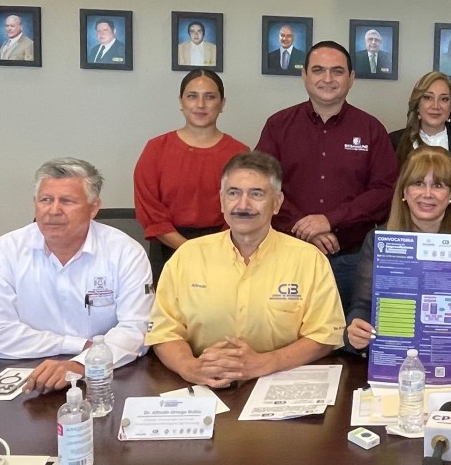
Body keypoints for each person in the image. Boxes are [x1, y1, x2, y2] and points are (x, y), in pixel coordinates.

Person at [146, 152, 345, 387]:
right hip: (202, 383)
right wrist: (189, 367)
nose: (243, 205)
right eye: (233, 193)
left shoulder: (309, 260)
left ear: (277, 203)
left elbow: (325, 336)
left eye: (256, 194)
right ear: (222, 200)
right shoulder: (187, 256)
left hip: (280, 381)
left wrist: (264, 363)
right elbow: (164, 332)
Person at [0, 158, 153, 393]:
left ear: (93, 208)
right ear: (35, 203)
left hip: (105, 374)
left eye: (67, 201)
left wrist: (81, 364)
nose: (54, 210)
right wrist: (80, 345)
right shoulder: (6, 250)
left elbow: (137, 330)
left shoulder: (126, 252)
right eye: (46, 200)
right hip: (28, 374)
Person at [255, 40, 398, 312]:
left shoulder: (371, 129)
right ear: (304, 75)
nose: (328, 79)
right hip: (287, 253)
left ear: (351, 77)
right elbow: (261, 186)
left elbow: (385, 192)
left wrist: (330, 220)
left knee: (349, 333)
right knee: (285, 330)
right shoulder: (278, 126)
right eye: (318, 70)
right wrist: (303, 228)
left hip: (352, 259)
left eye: (337, 71)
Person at [346, 147, 451, 358]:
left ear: (450, 195)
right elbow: (362, 306)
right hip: (396, 356)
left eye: (438, 185)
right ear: (404, 191)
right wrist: (356, 332)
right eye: (418, 183)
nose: (427, 194)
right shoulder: (379, 240)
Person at [134, 69, 248, 283]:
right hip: (168, 250)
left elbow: (244, 208)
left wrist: (214, 250)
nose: (201, 104)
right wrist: (191, 250)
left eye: (210, 97)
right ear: (181, 101)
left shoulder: (239, 153)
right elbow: (150, 211)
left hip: (224, 251)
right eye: (192, 96)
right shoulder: (156, 149)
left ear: (222, 103)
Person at [390, 71, 451, 222]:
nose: (435, 106)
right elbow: (388, 195)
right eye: (428, 97)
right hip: (403, 227)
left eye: (444, 99)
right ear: (417, 104)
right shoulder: (394, 142)